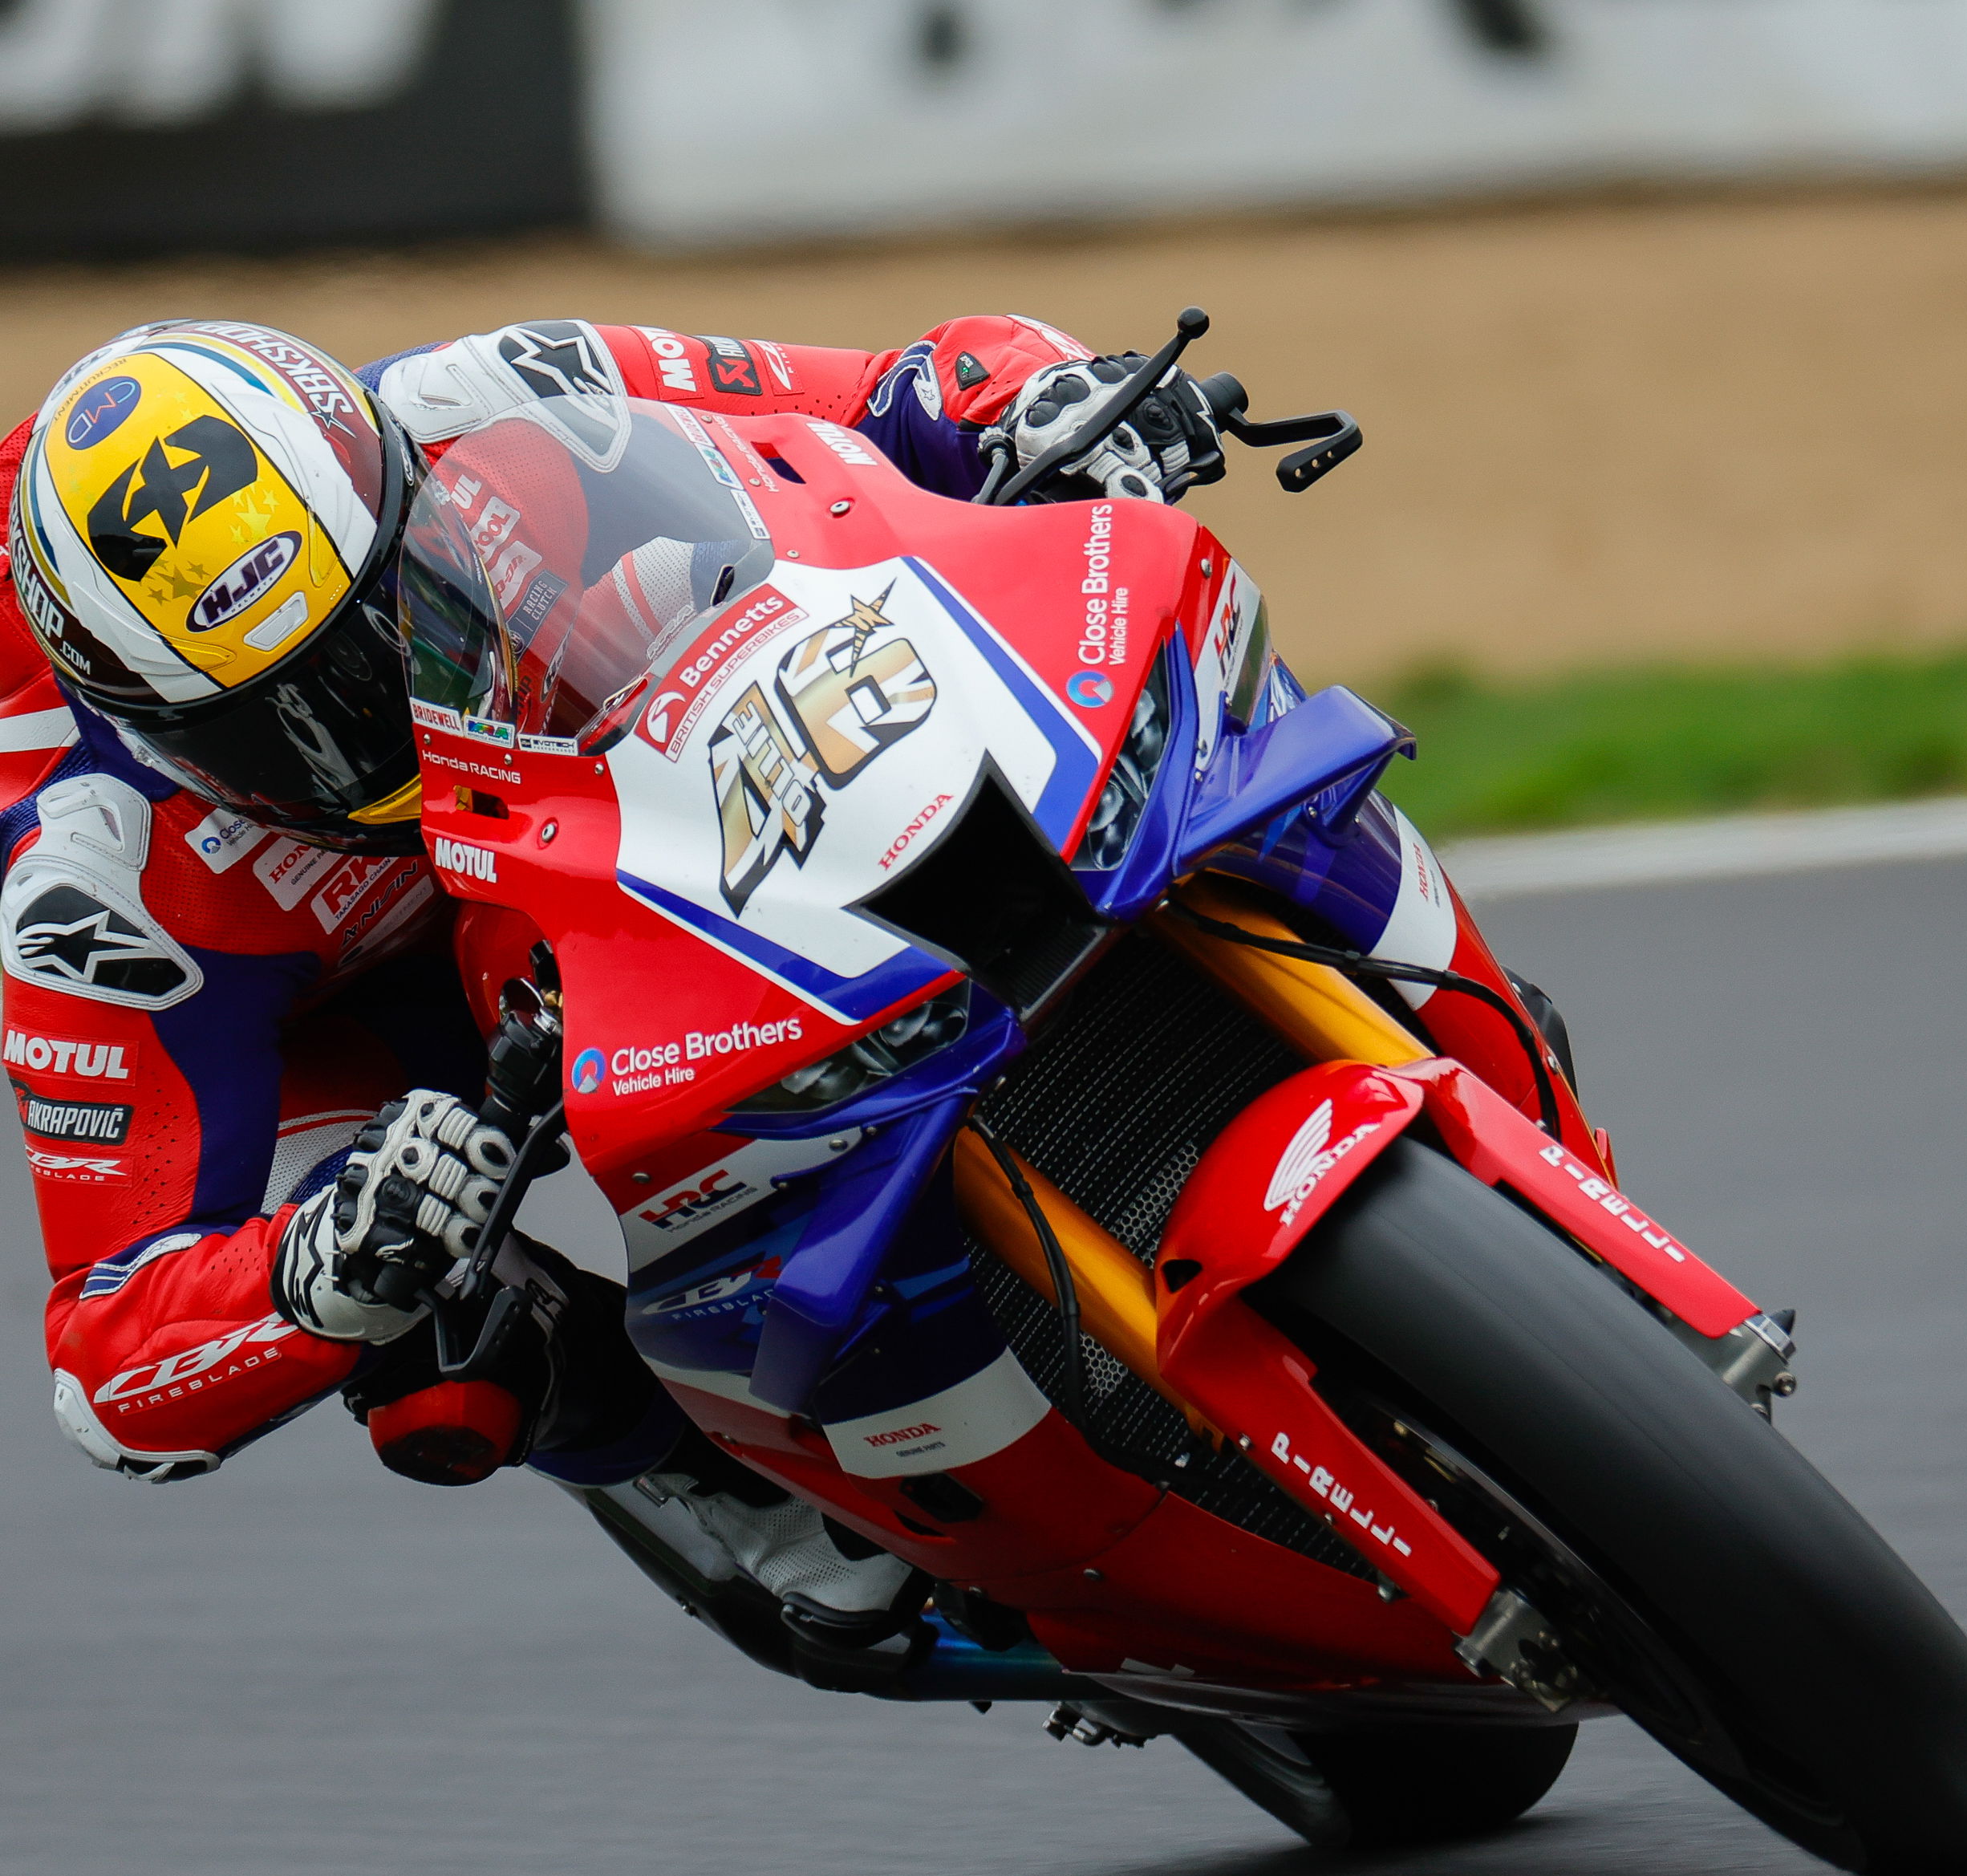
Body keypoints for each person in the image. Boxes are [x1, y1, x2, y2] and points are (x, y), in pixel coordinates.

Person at [0, 312, 1223, 1655]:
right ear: (148, 730)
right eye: (268, 721)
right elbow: (107, 1361)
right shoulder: (96, 893)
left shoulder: (479, 403)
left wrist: (1049, 398)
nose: (351, 730)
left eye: (372, 639)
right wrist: (313, 1266)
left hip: (552, 782)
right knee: (432, 1338)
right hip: (336, 1014)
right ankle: (733, 1495)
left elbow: (887, 389)